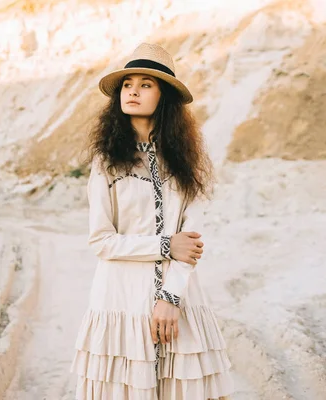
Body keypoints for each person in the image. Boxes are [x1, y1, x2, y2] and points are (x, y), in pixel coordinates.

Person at [70, 43, 234, 400]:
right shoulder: (106, 161)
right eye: (128, 84)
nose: (133, 91)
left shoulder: (185, 161)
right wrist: (163, 244)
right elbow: (101, 240)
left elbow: (189, 242)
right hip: (119, 301)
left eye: (146, 84)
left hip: (180, 299)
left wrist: (170, 299)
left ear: (164, 97)